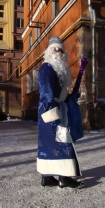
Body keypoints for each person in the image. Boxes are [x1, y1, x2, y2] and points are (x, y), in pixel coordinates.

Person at [37, 36, 88, 189]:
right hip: (51, 110)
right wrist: (51, 110)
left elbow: (59, 91)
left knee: (48, 144)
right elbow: (46, 91)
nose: (59, 52)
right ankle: (65, 178)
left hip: (56, 108)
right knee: (63, 141)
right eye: (55, 49)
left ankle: (47, 177)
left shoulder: (58, 70)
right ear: (49, 51)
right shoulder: (47, 67)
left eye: (61, 50)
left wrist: (69, 96)